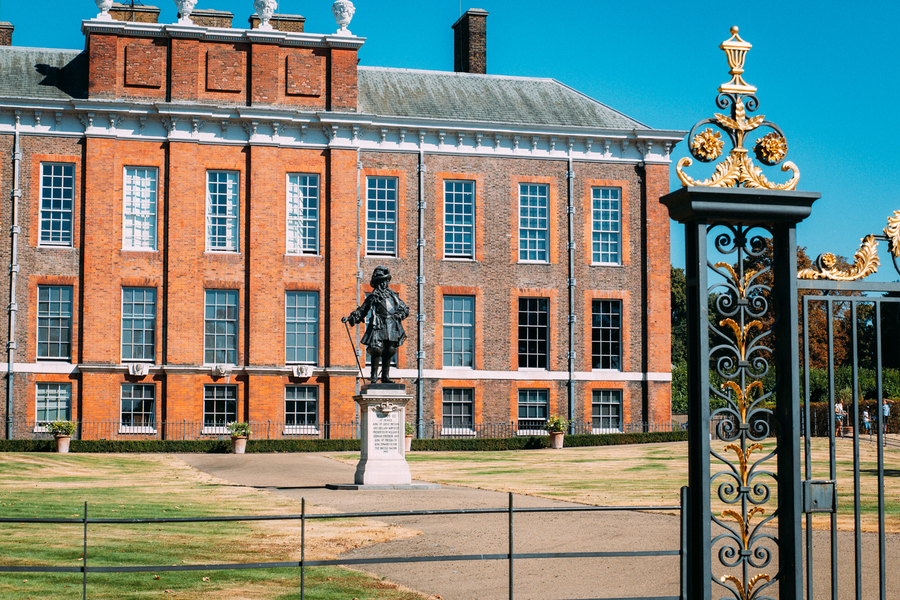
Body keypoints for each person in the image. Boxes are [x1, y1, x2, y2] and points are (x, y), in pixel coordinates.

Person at [343, 266, 409, 384]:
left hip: (392, 325)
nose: (385, 284)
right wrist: (350, 318)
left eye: (387, 281)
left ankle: (385, 376)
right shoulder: (373, 297)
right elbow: (362, 310)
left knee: (390, 350)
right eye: (383, 281)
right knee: (376, 350)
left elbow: (404, 308)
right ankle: (373, 376)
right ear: (378, 283)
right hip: (378, 325)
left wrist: (400, 314)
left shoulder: (393, 295)